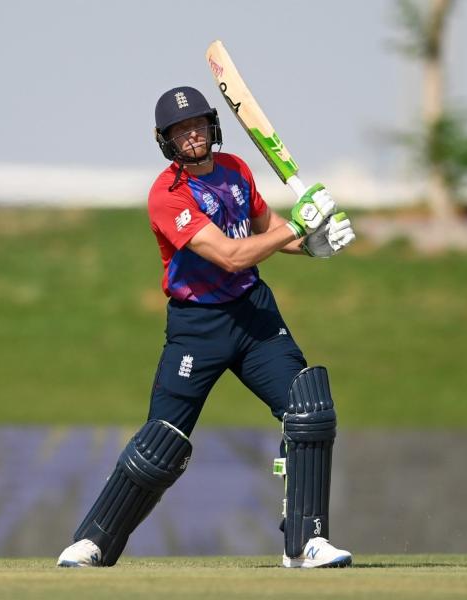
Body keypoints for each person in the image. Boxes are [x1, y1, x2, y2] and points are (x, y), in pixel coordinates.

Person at [56, 86, 356, 568]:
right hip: (198, 325)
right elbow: (231, 256)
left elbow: (265, 228)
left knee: (309, 411)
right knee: (162, 443)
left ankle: (305, 543)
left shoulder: (236, 168)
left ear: (212, 126)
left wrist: (316, 242)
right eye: (180, 129)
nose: (191, 134)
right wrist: (299, 227)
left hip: (253, 314)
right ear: (165, 140)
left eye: (197, 124)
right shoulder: (166, 195)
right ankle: (94, 542)